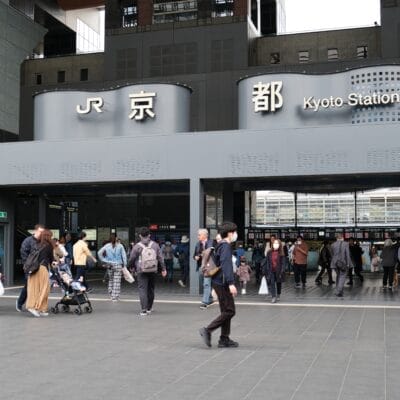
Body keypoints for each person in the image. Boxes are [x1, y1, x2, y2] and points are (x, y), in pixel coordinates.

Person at [199, 221, 239, 348]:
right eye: (234, 232)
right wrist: (231, 283)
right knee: (230, 311)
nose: (235, 235)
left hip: (217, 281)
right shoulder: (226, 246)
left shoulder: (220, 245)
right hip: (222, 282)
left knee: (225, 310)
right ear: (229, 233)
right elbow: (226, 265)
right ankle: (208, 330)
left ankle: (224, 338)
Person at [128, 227, 167, 316]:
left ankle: (144, 309)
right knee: (151, 289)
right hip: (153, 270)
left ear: (140, 235)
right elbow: (161, 258)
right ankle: (149, 307)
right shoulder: (155, 245)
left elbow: (131, 259)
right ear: (149, 235)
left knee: (142, 289)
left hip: (141, 270)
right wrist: (163, 269)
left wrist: (130, 267)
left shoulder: (137, 246)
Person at [16, 224, 45, 312]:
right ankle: (20, 302)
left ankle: (35, 305)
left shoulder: (42, 242)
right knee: (28, 286)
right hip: (30, 267)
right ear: (35, 231)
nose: (41, 233)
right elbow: (23, 253)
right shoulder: (28, 241)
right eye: (40, 231)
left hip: (40, 267)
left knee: (38, 286)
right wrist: (27, 265)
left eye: (42, 232)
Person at [26, 229, 54, 317]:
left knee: (33, 289)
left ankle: (38, 308)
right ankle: (38, 307)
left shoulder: (36, 244)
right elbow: (51, 259)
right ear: (48, 237)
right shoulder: (49, 246)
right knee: (45, 289)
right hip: (42, 269)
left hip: (33, 269)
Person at [98, 234, 127, 301]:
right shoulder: (120, 246)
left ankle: (111, 293)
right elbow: (124, 256)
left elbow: (99, 253)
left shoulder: (107, 246)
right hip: (118, 265)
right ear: (116, 238)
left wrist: (104, 260)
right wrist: (125, 264)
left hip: (109, 265)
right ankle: (115, 297)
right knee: (117, 281)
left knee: (111, 279)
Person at [193, 228, 214, 309]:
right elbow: (194, 255)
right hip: (200, 267)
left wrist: (201, 254)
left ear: (205, 235)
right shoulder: (198, 244)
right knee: (205, 284)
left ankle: (204, 302)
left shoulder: (211, 242)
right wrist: (195, 257)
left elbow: (209, 252)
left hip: (209, 266)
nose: (198, 236)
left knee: (206, 283)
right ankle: (210, 298)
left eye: (199, 235)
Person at [263, 239, 286, 303]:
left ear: (279, 245)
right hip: (271, 270)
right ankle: (273, 296)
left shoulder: (281, 253)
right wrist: (267, 270)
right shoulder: (269, 252)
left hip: (279, 271)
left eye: (277, 243)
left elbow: (283, 263)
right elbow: (267, 261)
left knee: (278, 283)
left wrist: (282, 270)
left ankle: (278, 294)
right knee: (272, 283)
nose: (275, 244)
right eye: (274, 243)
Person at [330, 233, 352, 298]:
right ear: (342, 237)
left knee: (338, 276)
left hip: (335, 263)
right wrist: (348, 263)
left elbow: (332, 254)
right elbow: (347, 254)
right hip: (343, 263)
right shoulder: (346, 244)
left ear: (336, 238)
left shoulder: (333, 244)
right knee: (342, 276)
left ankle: (340, 292)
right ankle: (338, 291)